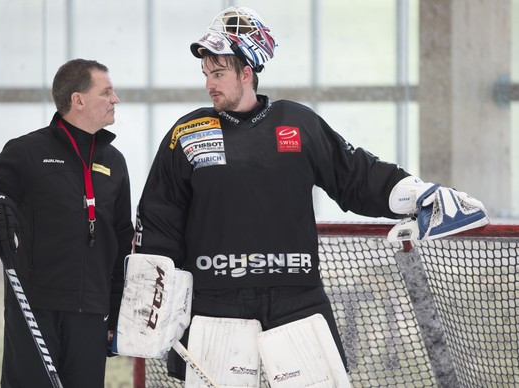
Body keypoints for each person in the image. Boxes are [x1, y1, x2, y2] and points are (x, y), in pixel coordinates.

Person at [133, 6, 487, 382]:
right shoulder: (188, 132)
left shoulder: (297, 124)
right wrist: (153, 301)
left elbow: (354, 176)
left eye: (218, 73)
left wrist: (419, 194)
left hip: (295, 297)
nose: (209, 84)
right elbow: (159, 217)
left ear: (247, 73)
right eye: (206, 74)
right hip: (215, 299)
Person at [0, 58, 134, 387]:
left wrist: (118, 307)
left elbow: (121, 237)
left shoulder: (115, 162)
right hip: (36, 309)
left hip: (92, 314)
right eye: (106, 91)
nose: (115, 99)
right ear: (78, 100)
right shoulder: (29, 151)